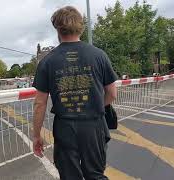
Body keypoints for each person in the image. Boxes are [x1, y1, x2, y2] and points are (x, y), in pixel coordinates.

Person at [32, 6, 118, 180]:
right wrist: (96, 106)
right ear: (81, 27)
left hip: (65, 127)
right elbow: (112, 93)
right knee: (95, 174)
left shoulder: (47, 61)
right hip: (93, 125)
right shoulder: (99, 55)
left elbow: (39, 103)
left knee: (70, 176)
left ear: (57, 29)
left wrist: (36, 135)